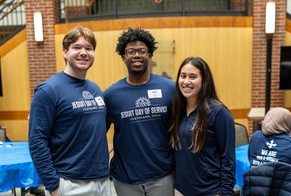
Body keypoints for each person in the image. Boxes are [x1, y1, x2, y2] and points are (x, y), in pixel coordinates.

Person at [28, 26, 111, 196]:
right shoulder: (48, 90)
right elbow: (37, 141)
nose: (83, 52)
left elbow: (97, 129)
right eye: (77, 47)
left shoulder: (95, 89)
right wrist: (53, 186)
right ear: (65, 52)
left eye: (89, 48)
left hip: (102, 181)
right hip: (70, 184)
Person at [103, 27, 175, 196]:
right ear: (123, 57)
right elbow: (98, 132)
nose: (136, 55)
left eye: (142, 51)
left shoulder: (170, 88)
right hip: (125, 178)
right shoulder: (111, 95)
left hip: (162, 175)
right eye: (131, 51)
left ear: (149, 55)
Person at [169, 57, 236, 196]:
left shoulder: (218, 112)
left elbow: (228, 158)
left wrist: (225, 193)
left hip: (210, 191)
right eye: (183, 76)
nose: (186, 81)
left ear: (204, 80)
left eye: (192, 77)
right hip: (180, 191)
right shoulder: (177, 110)